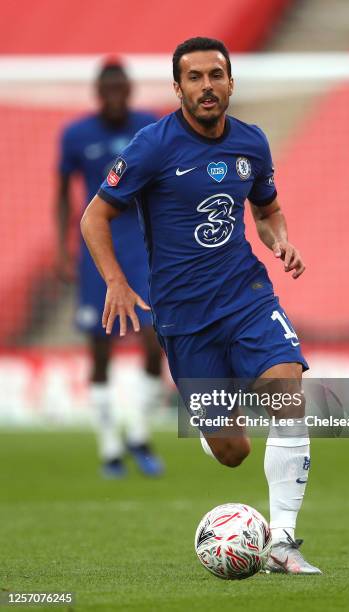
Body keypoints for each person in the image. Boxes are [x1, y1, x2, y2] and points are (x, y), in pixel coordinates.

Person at [80, 37, 321, 573]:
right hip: (184, 319)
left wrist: (278, 237)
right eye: (195, 78)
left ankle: (282, 539)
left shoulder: (252, 143)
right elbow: (94, 216)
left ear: (231, 81)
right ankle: (208, 423)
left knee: (286, 390)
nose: (207, 86)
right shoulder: (152, 147)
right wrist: (116, 282)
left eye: (216, 75)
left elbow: (267, 207)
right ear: (178, 87)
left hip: (246, 296)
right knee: (233, 452)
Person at [56, 57, 164, 479]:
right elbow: (63, 193)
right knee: (100, 351)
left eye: (122, 89)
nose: (116, 97)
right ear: (98, 92)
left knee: (156, 343)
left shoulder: (148, 127)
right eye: (109, 90)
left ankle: (138, 433)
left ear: (130, 91)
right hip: (95, 254)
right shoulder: (76, 134)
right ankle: (110, 448)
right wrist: (61, 247)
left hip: (142, 251)